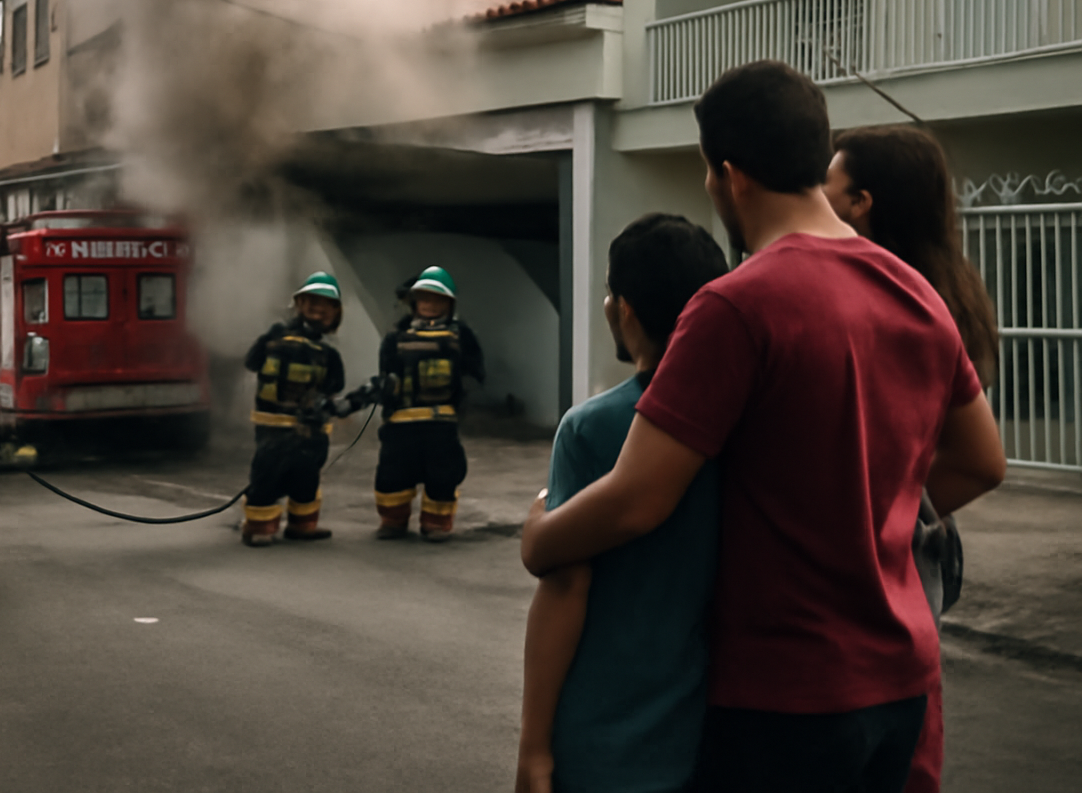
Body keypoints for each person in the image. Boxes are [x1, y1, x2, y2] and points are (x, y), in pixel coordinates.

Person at [520, 60, 1007, 793]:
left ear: (728, 173)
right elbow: (981, 462)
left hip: (786, 695)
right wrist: (872, 511)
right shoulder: (914, 290)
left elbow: (638, 498)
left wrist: (539, 538)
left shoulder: (735, 305)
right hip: (902, 680)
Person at [516, 214, 729, 793]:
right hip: (720, 733)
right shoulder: (745, 419)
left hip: (605, 738)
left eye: (610, 292)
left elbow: (564, 587)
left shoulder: (592, 428)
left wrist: (534, 746)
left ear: (623, 309)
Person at [826, 123, 1001, 793]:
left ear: (864, 202)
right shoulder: (947, 288)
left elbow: (976, 461)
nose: (818, 198)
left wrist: (891, 511)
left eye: (829, 187)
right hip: (925, 550)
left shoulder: (902, 302)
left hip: (903, 550)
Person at [373, 266, 485, 541]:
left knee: (443, 472)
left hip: (440, 422)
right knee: (393, 473)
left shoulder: (462, 336)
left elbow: (475, 372)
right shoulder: (395, 337)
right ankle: (393, 521)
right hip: (400, 422)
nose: (430, 305)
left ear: (449, 304)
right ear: (413, 302)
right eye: (424, 299)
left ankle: (436, 523)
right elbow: (386, 372)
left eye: (438, 300)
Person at [240, 271, 346, 547]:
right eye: (312, 303)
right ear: (299, 305)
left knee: (306, 477)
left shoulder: (328, 354)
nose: (317, 309)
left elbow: (334, 389)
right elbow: (252, 362)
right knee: (268, 476)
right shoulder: (282, 339)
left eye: (325, 305)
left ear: (334, 313)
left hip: (308, 432)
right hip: (274, 429)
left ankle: (302, 525)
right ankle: (260, 527)